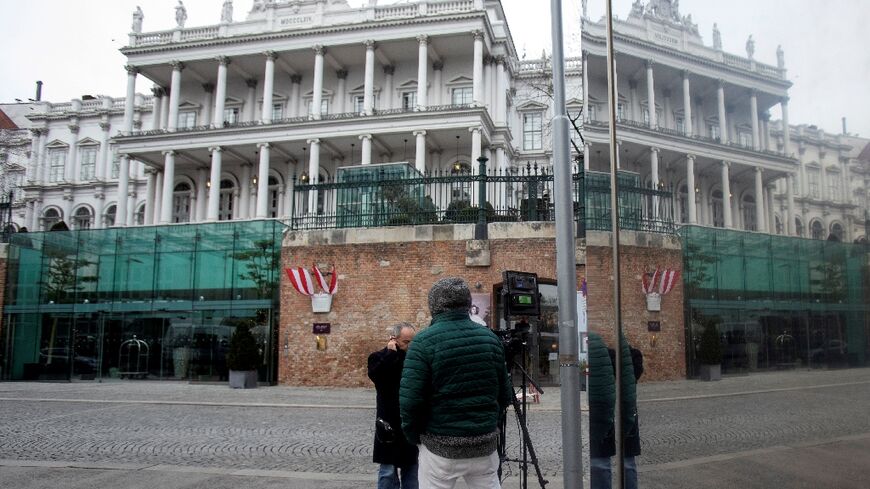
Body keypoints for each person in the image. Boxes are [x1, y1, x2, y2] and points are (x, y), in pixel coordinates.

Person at [400, 277, 513, 489]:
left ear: (433, 306)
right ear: (468, 305)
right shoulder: (490, 339)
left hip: (440, 447)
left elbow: (410, 402)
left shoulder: (423, 343)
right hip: (484, 445)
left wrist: (415, 437)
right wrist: (487, 425)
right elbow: (504, 395)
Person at [587, 331, 641, 489]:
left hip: (620, 412)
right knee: (605, 464)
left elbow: (634, 374)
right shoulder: (631, 356)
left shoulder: (631, 356)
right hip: (611, 413)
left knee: (620, 463)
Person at [368, 323, 419, 489]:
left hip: (409, 422)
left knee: (411, 469)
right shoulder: (378, 357)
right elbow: (377, 375)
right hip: (388, 424)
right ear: (394, 339)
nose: (410, 346)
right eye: (406, 342)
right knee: (387, 471)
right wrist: (390, 353)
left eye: (413, 341)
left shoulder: (414, 360)